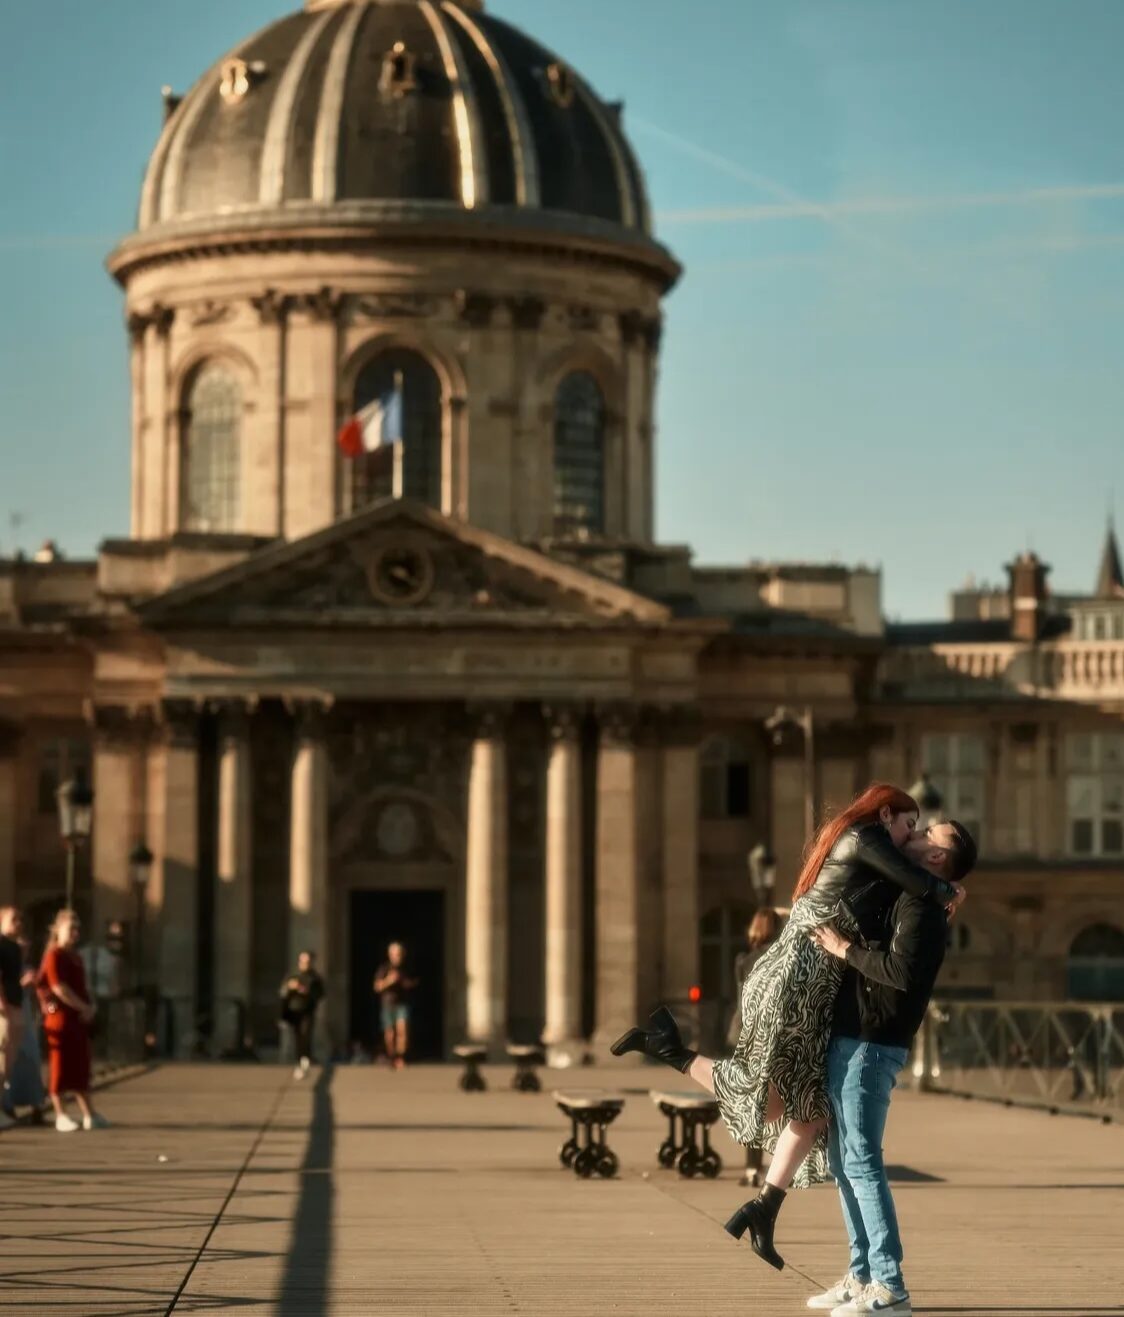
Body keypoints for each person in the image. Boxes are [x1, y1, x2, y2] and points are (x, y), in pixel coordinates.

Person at [611, 783, 968, 1271]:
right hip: (798, 974)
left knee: (807, 1102)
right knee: (765, 1095)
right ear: (887, 814)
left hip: (818, 979)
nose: (915, 832)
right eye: (912, 824)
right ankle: (672, 1051)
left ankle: (766, 1207)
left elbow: (909, 897)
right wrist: (951, 889)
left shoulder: (880, 846)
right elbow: (919, 881)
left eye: (924, 831)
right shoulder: (866, 836)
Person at [805, 819, 978, 1317]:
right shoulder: (913, 892)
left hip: (872, 1043)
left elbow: (902, 974)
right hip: (853, 1038)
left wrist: (845, 950)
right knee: (843, 1163)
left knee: (861, 1161)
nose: (917, 833)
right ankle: (860, 1275)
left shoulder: (924, 908)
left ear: (939, 857)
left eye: (928, 833)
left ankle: (889, 1284)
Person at [38, 909, 108, 1132]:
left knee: (80, 1065)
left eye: (78, 929)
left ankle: (90, 1113)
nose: (75, 934)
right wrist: (83, 1006)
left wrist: (89, 1007)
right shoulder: (54, 955)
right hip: (60, 1018)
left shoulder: (75, 957)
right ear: (58, 930)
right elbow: (58, 987)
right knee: (60, 1066)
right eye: (71, 929)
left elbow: (79, 986)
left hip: (77, 1020)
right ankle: (60, 1114)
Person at [727, 907, 782, 1186]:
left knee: (754, 1106)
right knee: (783, 1105)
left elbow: (741, 1004)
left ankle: (751, 1169)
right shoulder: (785, 957)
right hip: (778, 1037)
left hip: (748, 1040)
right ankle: (784, 1167)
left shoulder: (744, 961)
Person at [0, 906, 26, 1130]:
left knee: (9, 1061)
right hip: (5, 1008)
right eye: (13, 919)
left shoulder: (15, 947)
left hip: (15, 1005)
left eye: (20, 919)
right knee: (2, 1059)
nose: (18, 923)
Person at [279, 950, 324, 1080]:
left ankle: (305, 1060)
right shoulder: (292, 975)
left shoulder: (315, 978)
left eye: (307, 962)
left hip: (307, 1011)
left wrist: (305, 991)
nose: (305, 964)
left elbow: (319, 995)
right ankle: (299, 1061)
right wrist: (289, 987)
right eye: (302, 961)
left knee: (305, 1034)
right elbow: (283, 992)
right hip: (294, 1010)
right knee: (297, 1037)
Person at [373, 942, 418, 1069]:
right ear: (389, 955)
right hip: (388, 1004)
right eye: (393, 954)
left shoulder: (408, 968)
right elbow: (377, 987)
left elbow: (414, 983)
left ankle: (400, 1057)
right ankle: (391, 1056)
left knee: (402, 1031)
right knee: (390, 1033)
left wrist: (404, 982)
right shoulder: (384, 968)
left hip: (402, 1003)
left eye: (398, 954)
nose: (396, 957)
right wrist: (389, 981)